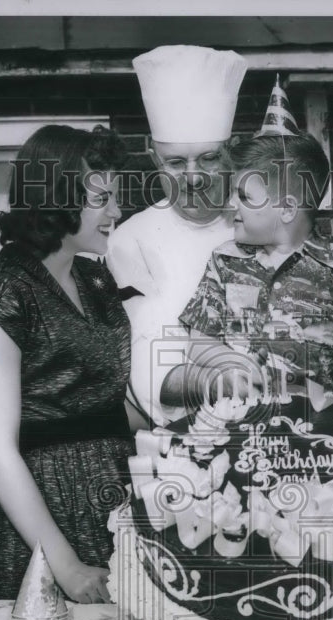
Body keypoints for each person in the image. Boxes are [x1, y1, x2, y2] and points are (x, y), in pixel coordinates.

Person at [0, 125, 129, 602]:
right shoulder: (7, 292)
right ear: (57, 197)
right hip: (46, 515)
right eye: (102, 199)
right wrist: (66, 565)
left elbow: (107, 399)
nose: (116, 212)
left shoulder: (95, 278)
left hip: (115, 499)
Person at [175, 129, 333, 411]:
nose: (230, 204)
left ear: (287, 209)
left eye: (243, 196)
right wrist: (237, 365)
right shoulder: (225, 262)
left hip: (323, 439)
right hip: (243, 427)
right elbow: (200, 343)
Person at [106, 44, 247, 428]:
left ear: (231, 153)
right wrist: (233, 378)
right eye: (175, 162)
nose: (193, 176)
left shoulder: (258, 223)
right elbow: (146, 362)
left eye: (208, 158)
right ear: (155, 160)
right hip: (179, 440)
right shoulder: (130, 240)